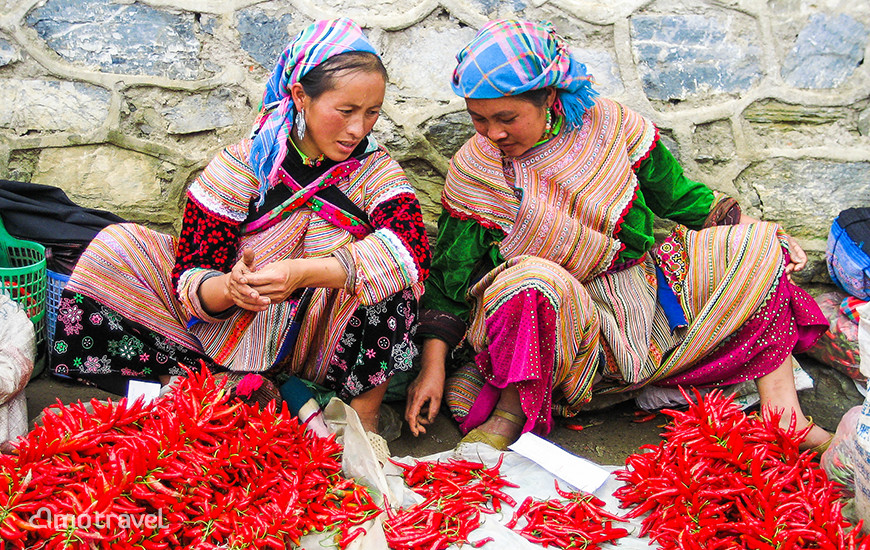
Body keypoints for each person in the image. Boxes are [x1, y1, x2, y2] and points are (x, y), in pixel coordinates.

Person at [404, 19, 831, 453]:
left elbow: (678, 198)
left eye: (507, 118)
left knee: (757, 247)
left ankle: (784, 415)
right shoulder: (476, 169)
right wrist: (432, 365)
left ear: (549, 97)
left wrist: (755, 231)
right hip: (557, 324)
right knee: (534, 278)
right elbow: (449, 280)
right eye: (479, 119)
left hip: (642, 295)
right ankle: (511, 411)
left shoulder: (609, 125)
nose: (493, 133)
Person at [50, 19, 430, 447]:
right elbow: (193, 274)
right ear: (301, 96)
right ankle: (216, 388)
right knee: (116, 248)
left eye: (372, 112)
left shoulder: (376, 171)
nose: (359, 129)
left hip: (320, 339)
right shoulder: (245, 164)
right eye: (346, 111)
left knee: (392, 279)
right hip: (230, 325)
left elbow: (411, 250)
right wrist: (229, 289)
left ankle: (363, 423)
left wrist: (304, 272)